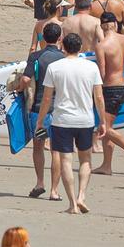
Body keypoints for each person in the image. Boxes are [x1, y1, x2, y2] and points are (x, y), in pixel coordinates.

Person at [37, 31, 102, 214]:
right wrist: (103, 121)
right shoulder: (91, 67)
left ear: (62, 47)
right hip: (85, 119)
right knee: (85, 160)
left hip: (62, 119)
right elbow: (98, 97)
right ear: (80, 48)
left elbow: (47, 98)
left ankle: (72, 203)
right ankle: (82, 195)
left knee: (66, 160)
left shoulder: (55, 67)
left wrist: (40, 121)